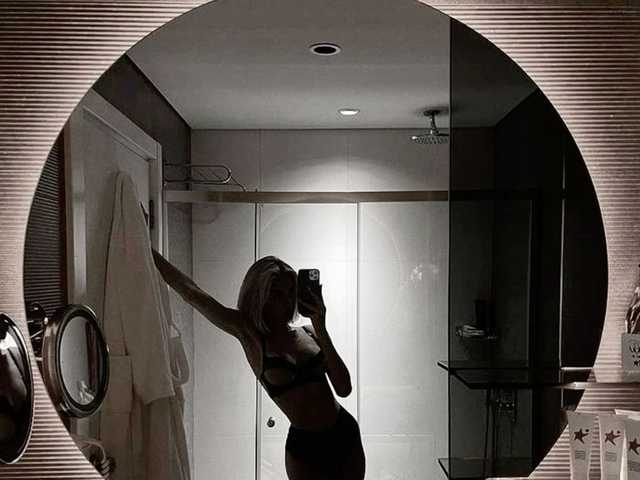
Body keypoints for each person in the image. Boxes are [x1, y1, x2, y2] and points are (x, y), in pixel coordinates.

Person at [151, 250, 365, 480]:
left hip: (343, 433)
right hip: (304, 448)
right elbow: (192, 293)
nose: (286, 301)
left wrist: (320, 325)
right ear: (259, 295)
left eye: (291, 292)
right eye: (277, 293)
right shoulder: (250, 335)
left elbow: (344, 388)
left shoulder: (311, 332)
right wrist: (143, 245)